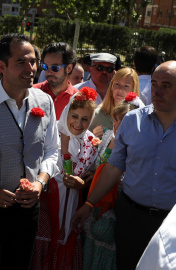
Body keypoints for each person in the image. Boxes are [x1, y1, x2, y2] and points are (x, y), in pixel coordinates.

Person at [71, 61, 176, 270]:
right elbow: (113, 167)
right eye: (154, 84)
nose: (157, 90)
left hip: (170, 226)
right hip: (130, 218)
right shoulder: (131, 121)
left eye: (166, 85)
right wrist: (89, 204)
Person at [0, 33, 59, 270]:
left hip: (28, 210)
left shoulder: (45, 101)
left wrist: (40, 182)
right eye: (21, 62)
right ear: (2, 66)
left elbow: (52, 150)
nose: (30, 68)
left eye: (33, 61)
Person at [31, 88, 99, 270]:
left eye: (85, 119)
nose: (78, 123)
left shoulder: (91, 142)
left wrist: (84, 183)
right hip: (47, 203)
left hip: (72, 208)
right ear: (67, 112)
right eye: (74, 116)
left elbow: (91, 174)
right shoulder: (52, 134)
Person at [83, 93, 144, 270]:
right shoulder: (109, 135)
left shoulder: (137, 147)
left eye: (123, 122)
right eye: (116, 119)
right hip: (95, 212)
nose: (117, 125)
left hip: (115, 218)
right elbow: (96, 164)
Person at [89, 67, 143, 138]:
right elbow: (85, 143)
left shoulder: (139, 117)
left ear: (133, 89)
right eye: (117, 84)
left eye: (126, 86)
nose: (120, 89)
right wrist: (92, 136)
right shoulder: (98, 115)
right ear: (111, 86)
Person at [33, 42, 79, 120]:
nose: (49, 72)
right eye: (45, 66)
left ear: (69, 68)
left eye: (55, 68)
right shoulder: (32, 92)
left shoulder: (78, 99)